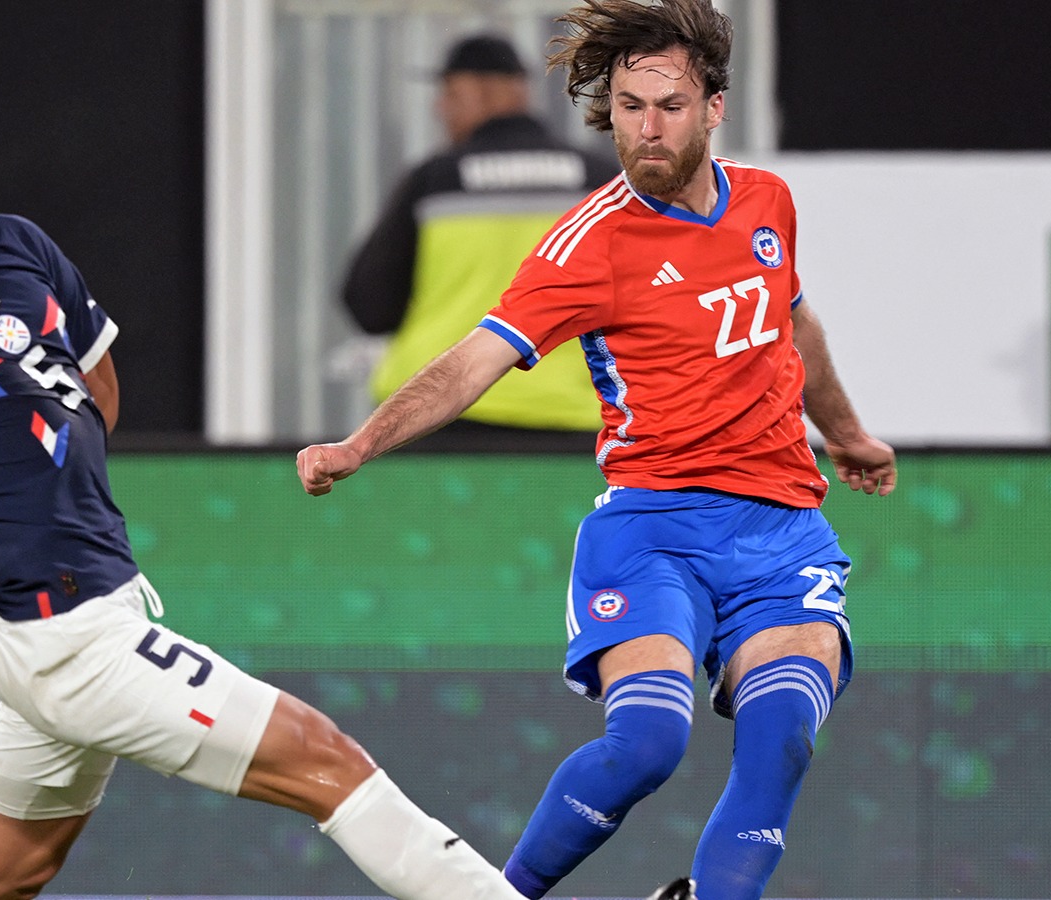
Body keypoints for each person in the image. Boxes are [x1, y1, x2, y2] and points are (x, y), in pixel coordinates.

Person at [0, 79, 570, 900]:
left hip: (67, 613)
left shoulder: (12, 244)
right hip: (66, 642)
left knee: (7, 874)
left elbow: (94, 391)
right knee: (326, 762)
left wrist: (38, 511)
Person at [298, 1, 898, 898]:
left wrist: (845, 434)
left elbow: (794, 322)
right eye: (628, 107)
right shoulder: (590, 243)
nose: (647, 129)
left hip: (781, 533)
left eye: (670, 106)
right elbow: (474, 361)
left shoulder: (767, 201)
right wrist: (360, 443)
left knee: (781, 738)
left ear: (714, 109)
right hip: (653, 529)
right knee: (648, 745)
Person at [342, 33, 618, 445]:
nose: (439, 108)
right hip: (569, 417)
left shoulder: (435, 181)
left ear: (484, 91)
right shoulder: (600, 182)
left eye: (450, 94)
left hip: (441, 414)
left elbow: (369, 306)